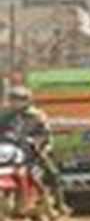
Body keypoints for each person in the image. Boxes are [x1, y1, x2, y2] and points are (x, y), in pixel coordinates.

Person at [0, 86, 66, 214]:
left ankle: (60, 204)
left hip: (33, 150)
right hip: (11, 151)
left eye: (19, 99)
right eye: (13, 99)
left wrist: (39, 143)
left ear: (27, 100)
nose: (15, 103)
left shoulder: (37, 116)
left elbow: (45, 133)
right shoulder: (5, 117)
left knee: (52, 172)